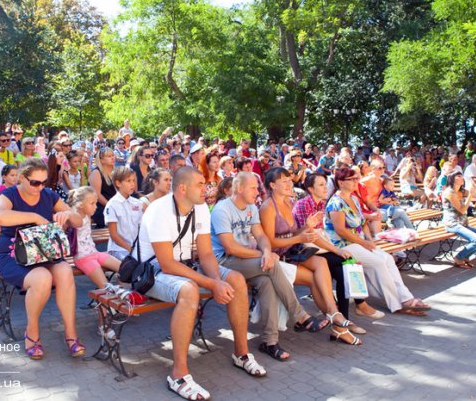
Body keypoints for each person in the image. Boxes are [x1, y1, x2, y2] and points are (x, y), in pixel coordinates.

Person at [137, 167, 266, 400]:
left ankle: (242, 353)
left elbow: (206, 254)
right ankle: (178, 374)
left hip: (185, 266)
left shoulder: (201, 209)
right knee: (189, 290)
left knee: (235, 279)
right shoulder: (159, 210)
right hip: (151, 272)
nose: (206, 188)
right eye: (200, 184)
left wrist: (217, 281)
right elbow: (166, 264)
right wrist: (210, 283)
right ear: (182, 188)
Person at [213, 173, 360, 361]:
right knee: (274, 266)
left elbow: (261, 237)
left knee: (268, 283)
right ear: (239, 188)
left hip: (247, 260)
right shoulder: (222, 209)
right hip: (225, 263)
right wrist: (266, 254)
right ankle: (300, 316)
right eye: (253, 188)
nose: (258, 192)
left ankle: (270, 342)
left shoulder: (250, 207)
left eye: (257, 188)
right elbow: (230, 248)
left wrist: (266, 251)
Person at [0, 158, 86, 360]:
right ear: (22, 178)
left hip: (43, 251)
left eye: (44, 182)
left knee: (64, 271)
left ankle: (70, 333)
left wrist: (67, 215)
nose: (40, 187)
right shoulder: (9, 194)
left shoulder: (48, 194)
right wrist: (33, 217)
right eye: (35, 182)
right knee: (42, 277)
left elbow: (79, 221)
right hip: (14, 254)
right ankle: (32, 332)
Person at [259, 167, 364, 343]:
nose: (289, 183)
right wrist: (301, 236)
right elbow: (269, 242)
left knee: (322, 263)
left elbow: (294, 235)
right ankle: (338, 323)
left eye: (289, 180)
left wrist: (306, 227)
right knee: (320, 276)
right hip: (276, 258)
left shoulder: (289, 202)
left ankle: (335, 315)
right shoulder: (268, 207)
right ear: (272, 185)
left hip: (291, 253)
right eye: (283, 181)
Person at [324, 167, 431, 316]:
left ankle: (406, 298)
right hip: (342, 245)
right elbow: (340, 230)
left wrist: (369, 239)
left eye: (357, 178)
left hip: (358, 241)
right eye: (352, 179)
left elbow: (362, 222)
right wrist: (364, 243)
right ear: (341, 182)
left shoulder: (353, 198)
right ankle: (397, 303)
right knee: (379, 263)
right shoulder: (336, 202)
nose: (356, 181)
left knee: (387, 258)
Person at [293, 173, 383, 320]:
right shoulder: (303, 204)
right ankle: (354, 311)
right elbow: (310, 237)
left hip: (320, 248)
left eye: (325, 184)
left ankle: (345, 318)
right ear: (310, 188)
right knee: (347, 262)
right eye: (321, 185)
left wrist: (335, 249)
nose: (325, 188)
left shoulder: (321, 203)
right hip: (305, 250)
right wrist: (336, 250)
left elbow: (320, 234)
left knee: (344, 270)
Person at [66, 186, 122, 290]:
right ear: (80, 205)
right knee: (106, 287)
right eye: (92, 203)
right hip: (83, 258)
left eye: (96, 203)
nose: (96, 207)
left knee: (124, 268)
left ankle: (124, 295)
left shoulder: (87, 215)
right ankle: (106, 302)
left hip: (95, 253)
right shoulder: (73, 218)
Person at [441, 171, 476, 268]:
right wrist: (470, 197)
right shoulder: (449, 192)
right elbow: (461, 210)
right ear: (452, 179)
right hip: (452, 223)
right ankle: (458, 258)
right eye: (459, 176)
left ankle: (466, 256)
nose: (462, 178)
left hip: (463, 223)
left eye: (462, 176)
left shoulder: (461, 191)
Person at [104, 166, 143, 260]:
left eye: (133, 180)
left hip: (135, 247)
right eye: (128, 181)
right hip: (119, 249)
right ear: (118, 183)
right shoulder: (112, 205)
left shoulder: (137, 203)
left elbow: (141, 228)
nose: (132, 184)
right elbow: (114, 235)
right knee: (133, 263)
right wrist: (130, 249)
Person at [88, 147, 117, 228]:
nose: (112, 158)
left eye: (113, 155)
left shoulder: (115, 172)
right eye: (109, 156)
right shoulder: (96, 173)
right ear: (101, 160)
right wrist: (110, 206)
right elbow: (97, 195)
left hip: (114, 204)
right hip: (101, 206)